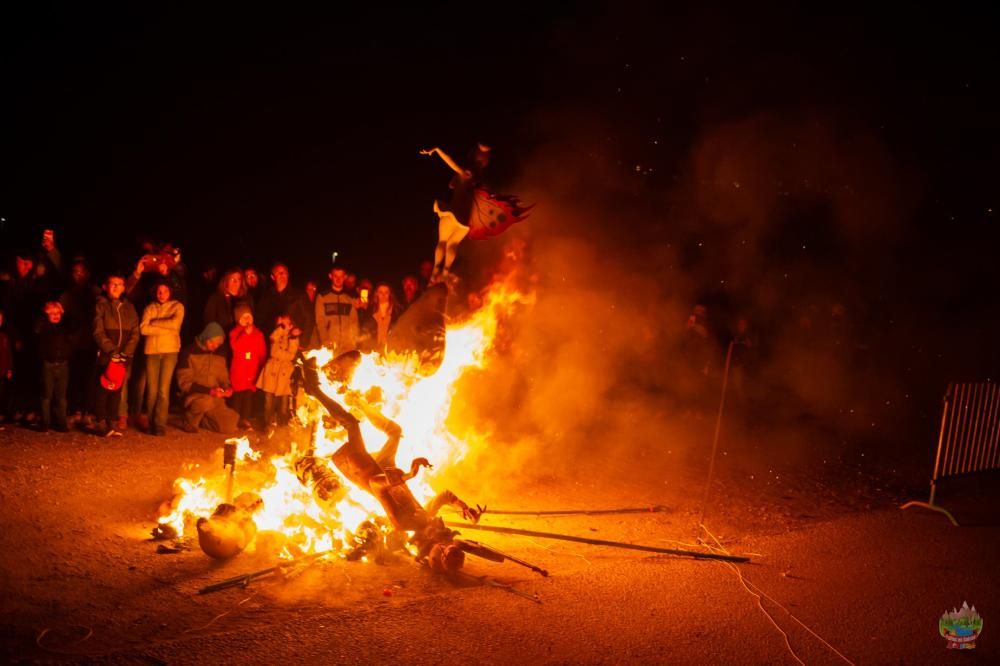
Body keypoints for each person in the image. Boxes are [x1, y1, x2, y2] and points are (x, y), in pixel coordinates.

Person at [420, 143, 531, 281]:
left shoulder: (465, 172)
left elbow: (450, 162)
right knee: (452, 244)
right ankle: (445, 272)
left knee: (442, 241)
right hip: (464, 222)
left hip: (452, 213)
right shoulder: (478, 181)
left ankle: (436, 271)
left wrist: (437, 150)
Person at [92, 274, 139, 437]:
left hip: (124, 357)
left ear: (124, 288)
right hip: (107, 355)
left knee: (117, 391)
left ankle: (112, 421)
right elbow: (98, 331)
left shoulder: (129, 307)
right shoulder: (101, 305)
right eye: (113, 284)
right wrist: (112, 351)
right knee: (102, 388)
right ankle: (100, 421)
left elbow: (135, 332)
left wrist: (126, 352)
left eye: (119, 284)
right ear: (106, 286)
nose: (116, 287)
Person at [140, 280, 184, 435]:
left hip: (170, 351)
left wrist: (155, 323)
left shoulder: (177, 306)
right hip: (151, 351)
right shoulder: (150, 307)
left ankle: (160, 424)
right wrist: (167, 328)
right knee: (152, 391)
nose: (162, 294)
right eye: (159, 291)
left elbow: (175, 324)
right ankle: (151, 422)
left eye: (165, 291)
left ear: (170, 292)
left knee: (163, 390)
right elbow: (143, 329)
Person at [176, 323, 238, 434]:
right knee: (206, 401)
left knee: (230, 424)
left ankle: (202, 420)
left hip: (215, 397)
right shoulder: (189, 352)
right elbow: (184, 382)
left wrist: (227, 387)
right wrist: (210, 391)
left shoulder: (220, 355)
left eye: (217, 344)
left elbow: (223, 377)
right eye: (212, 342)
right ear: (205, 337)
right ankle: (188, 420)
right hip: (195, 396)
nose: (214, 346)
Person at [59, 259, 101, 423]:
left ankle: (87, 411)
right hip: (74, 344)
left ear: (88, 274)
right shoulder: (66, 295)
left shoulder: (96, 293)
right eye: (76, 272)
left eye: (82, 272)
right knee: (75, 377)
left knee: (90, 378)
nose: (79, 275)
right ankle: (75, 410)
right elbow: (60, 320)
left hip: (92, 342)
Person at [257, 314, 300, 432]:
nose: (284, 325)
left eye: (286, 323)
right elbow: (273, 344)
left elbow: (291, 354)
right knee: (268, 402)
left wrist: (292, 337)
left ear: (291, 325)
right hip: (272, 370)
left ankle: (283, 426)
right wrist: (281, 328)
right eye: (281, 323)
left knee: (284, 403)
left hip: (284, 372)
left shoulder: (293, 338)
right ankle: (268, 426)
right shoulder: (276, 334)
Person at [36, 302, 73, 432]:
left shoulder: (66, 328)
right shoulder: (43, 327)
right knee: (46, 395)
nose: (55, 316)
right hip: (48, 365)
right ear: (46, 315)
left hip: (63, 365)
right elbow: (37, 329)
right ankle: (45, 422)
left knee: (61, 396)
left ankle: (62, 423)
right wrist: (44, 317)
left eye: (57, 313)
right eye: (52, 313)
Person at [228, 304, 266, 430]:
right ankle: (234, 419)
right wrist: (245, 334)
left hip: (252, 370)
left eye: (249, 317)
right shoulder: (235, 333)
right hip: (240, 370)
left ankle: (245, 418)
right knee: (238, 396)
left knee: (248, 397)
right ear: (238, 319)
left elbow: (261, 351)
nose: (247, 320)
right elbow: (236, 347)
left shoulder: (258, 333)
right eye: (244, 317)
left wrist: (263, 365)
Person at [256, 262, 309, 338]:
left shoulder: (299, 295)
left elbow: (309, 318)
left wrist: (303, 340)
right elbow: (259, 320)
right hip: (274, 344)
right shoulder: (266, 296)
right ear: (272, 277)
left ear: (288, 275)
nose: (282, 275)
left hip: (294, 342)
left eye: (285, 273)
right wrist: (276, 321)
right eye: (279, 273)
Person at [315, 267, 358, 354]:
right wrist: (325, 341)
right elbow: (320, 321)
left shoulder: (350, 298)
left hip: (348, 346)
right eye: (335, 276)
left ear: (345, 277)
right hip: (330, 345)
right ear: (330, 276)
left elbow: (354, 321)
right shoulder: (322, 297)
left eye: (341, 276)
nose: (338, 279)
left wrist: (353, 342)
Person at [360, 283, 401, 354]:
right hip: (373, 351)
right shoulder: (369, 310)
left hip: (391, 351)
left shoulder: (397, 311)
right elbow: (365, 330)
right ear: (376, 294)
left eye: (386, 292)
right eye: (380, 292)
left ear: (390, 294)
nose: (383, 295)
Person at [203, 268, 248, 333]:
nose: (235, 282)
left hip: (241, 339)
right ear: (226, 280)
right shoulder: (215, 299)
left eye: (238, 279)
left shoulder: (245, 298)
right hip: (221, 339)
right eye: (232, 279)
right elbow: (209, 322)